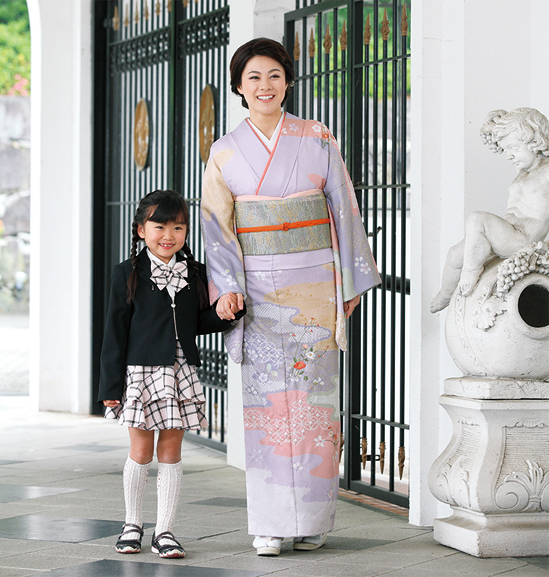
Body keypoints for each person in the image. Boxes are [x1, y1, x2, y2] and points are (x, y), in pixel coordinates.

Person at [200, 38, 380, 556]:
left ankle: (313, 520)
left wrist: (349, 282)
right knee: (267, 404)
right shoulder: (225, 152)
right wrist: (227, 288)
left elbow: (343, 207)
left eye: (275, 75)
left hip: (314, 284)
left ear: (288, 81)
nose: (265, 85)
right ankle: (272, 521)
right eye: (254, 76)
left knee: (315, 400)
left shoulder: (318, 138)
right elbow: (217, 226)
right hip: (256, 286)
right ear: (239, 85)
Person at [97, 189, 244, 558]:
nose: (169, 235)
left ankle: (165, 531)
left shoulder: (195, 273)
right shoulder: (127, 274)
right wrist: (110, 386)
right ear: (140, 230)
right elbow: (114, 332)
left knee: (171, 453)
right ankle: (132, 524)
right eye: (159, 226)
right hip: (141, 374)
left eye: (178, 227)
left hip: (180, 372)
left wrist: (228, 312)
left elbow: (199, 322)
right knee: (141, 451)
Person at [430, 107, 549, 313]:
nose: (509, 156)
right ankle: (445, 295)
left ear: (535, 141)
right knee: (454, 254)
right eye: (506, 150)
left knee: (477, 219)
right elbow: (496, 135)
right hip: (506, 231)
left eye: (514, 148)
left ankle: (471, 271)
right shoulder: (523, 171)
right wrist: (497, 125)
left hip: (522, 238)